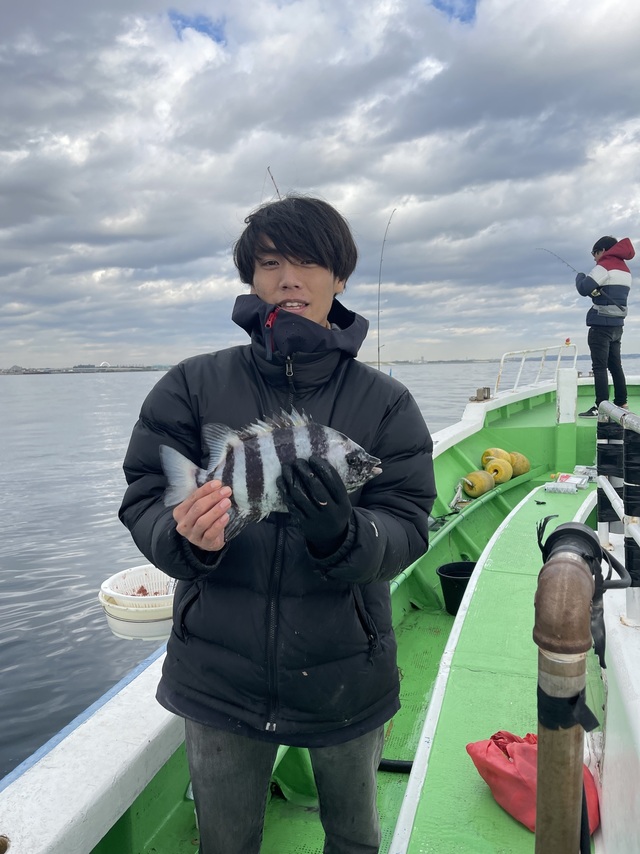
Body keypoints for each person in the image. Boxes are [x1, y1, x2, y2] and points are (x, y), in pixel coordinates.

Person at [119, 195, 436, 854]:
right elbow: (146, 495)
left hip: (348, 676)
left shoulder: (387, 402)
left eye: (309, 262)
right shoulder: (192, 385)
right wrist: (183, 538)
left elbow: (408, 520)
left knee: (354, 838)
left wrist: (349, 537)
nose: (289, 279)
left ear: (340, 277)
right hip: (217, 679)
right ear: (252, 279)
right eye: (270, 264)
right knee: (225, 844)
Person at [575, 234, 635, 417]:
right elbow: (610, 293)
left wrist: (580, 276)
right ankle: (621, 403)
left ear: (602, 250)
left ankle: (601, 407)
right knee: (616, 366)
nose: (594, 258)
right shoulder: (625, 270)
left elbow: (583, 288)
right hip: (617, 326)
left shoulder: (604, 266)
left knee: (599, 367)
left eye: (594, 253)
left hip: (600, 325)